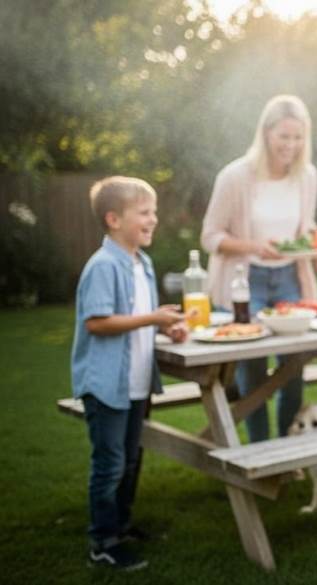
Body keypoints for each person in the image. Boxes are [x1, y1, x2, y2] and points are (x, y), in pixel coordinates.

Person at [71, 176, 189, 570]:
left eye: (153, 212)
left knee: (131, 460)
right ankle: (102, 541)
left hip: (137, 382)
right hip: (107, 385)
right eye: (144, 212)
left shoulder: (144, 263)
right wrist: (152, 317)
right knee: (110, 463)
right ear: (113, 219)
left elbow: (137, 318)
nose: (153, 219)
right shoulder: (103, 265)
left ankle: (120, 527)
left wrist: (164, 326)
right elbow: (98, 322)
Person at [200, 95, 317, 441]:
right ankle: (259, 448)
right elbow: (210, 236)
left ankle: (285, 449)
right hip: (245, 281)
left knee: (293, 369)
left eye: (298, 138)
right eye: (284, 136)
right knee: (252, 371)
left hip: (289, 280)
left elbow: (303, 227)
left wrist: (314, 237)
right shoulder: (235, 176)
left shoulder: (306, 176)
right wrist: (255, 248)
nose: (291, 145)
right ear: (266, 133)